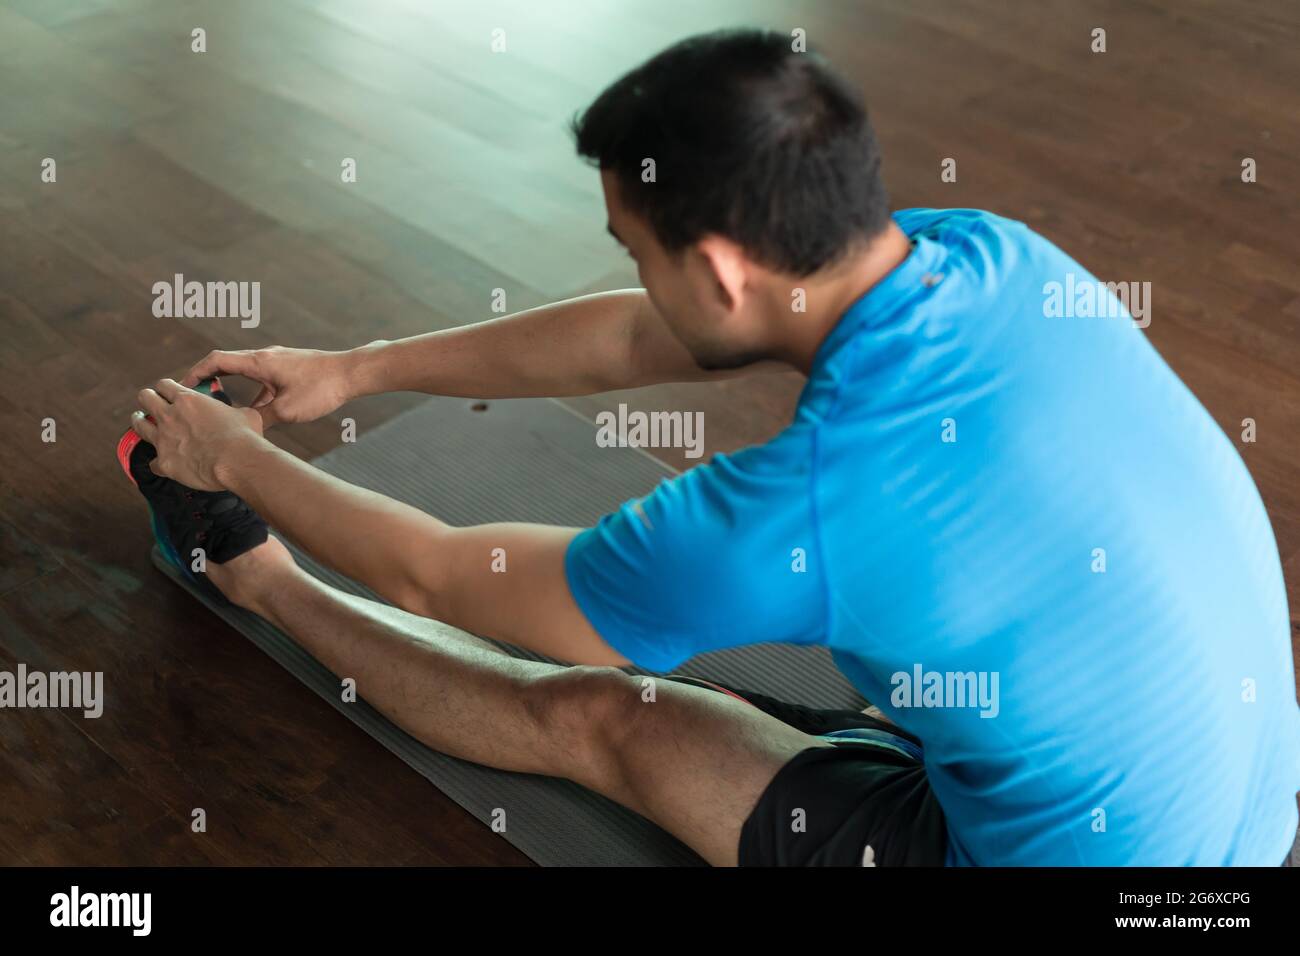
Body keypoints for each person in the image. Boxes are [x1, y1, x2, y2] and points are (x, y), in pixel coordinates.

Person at [122, 29, 1300, 866]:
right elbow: (648, 333)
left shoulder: (812, 503)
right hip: (1251, 822)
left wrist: (234, 461)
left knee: (608, 711)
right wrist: (359, 367)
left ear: (727, 270)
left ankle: (248, 575)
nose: (634, 278)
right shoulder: (989, 254)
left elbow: (441, 574)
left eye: (635, 247)